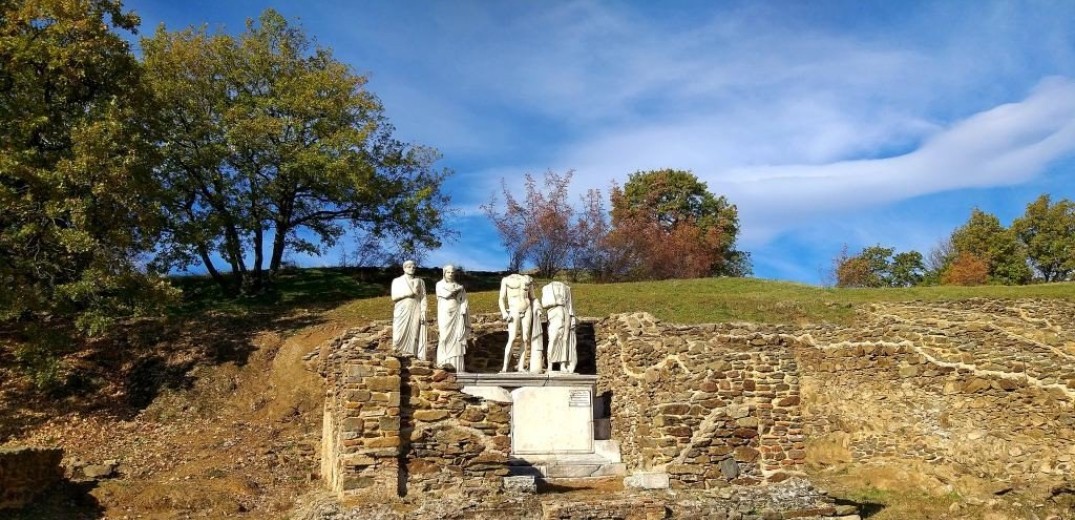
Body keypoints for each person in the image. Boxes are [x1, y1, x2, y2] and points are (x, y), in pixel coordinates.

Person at [498, 273, 543, 372]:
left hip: (527, 309)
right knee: (512, 338)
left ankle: (521, 366)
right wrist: (504, 313)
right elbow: (501, 298)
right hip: (514, 309)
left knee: (525, 339)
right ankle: (504, 367)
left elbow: (533, 297)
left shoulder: (527, 279)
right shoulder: (506, 280)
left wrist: (538, 307)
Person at [390, 260, 427, 359]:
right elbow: (394, 297)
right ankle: (397, 350)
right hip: (402, 308)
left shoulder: (420, 281)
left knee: (414, 331)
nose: (412, 268)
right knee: (398, 332)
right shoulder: (397, 281)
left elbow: (423, 297)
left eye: (414, 267)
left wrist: (423, 312)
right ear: (404, 268)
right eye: (409, 266)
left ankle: (412, 354)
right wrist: (408, 294)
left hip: (415, 307)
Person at [435, 264, 468, 371]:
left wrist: (463, 309)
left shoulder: (459, 286)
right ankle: (444, 363)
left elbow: (464, 301)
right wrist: (456, 291)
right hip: (445, 312)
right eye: (448, 272)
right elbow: (445, 295)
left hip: (457, 313)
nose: (450, 274)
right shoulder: (439, 284)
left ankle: (458, 368)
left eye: (452, 272)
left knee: (457, 337)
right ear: (444, 273)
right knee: (444, 337)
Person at [541, 281, 577, 373]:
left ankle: (563, 365)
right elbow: (544, 303)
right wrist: (556, 302)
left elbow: (570, 305)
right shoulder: (547, 288)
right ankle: (550, 365)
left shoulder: (567, 288)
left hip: (565, 316)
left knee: (565, 342)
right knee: (553, 341)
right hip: (554, 316)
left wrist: (571, 318)